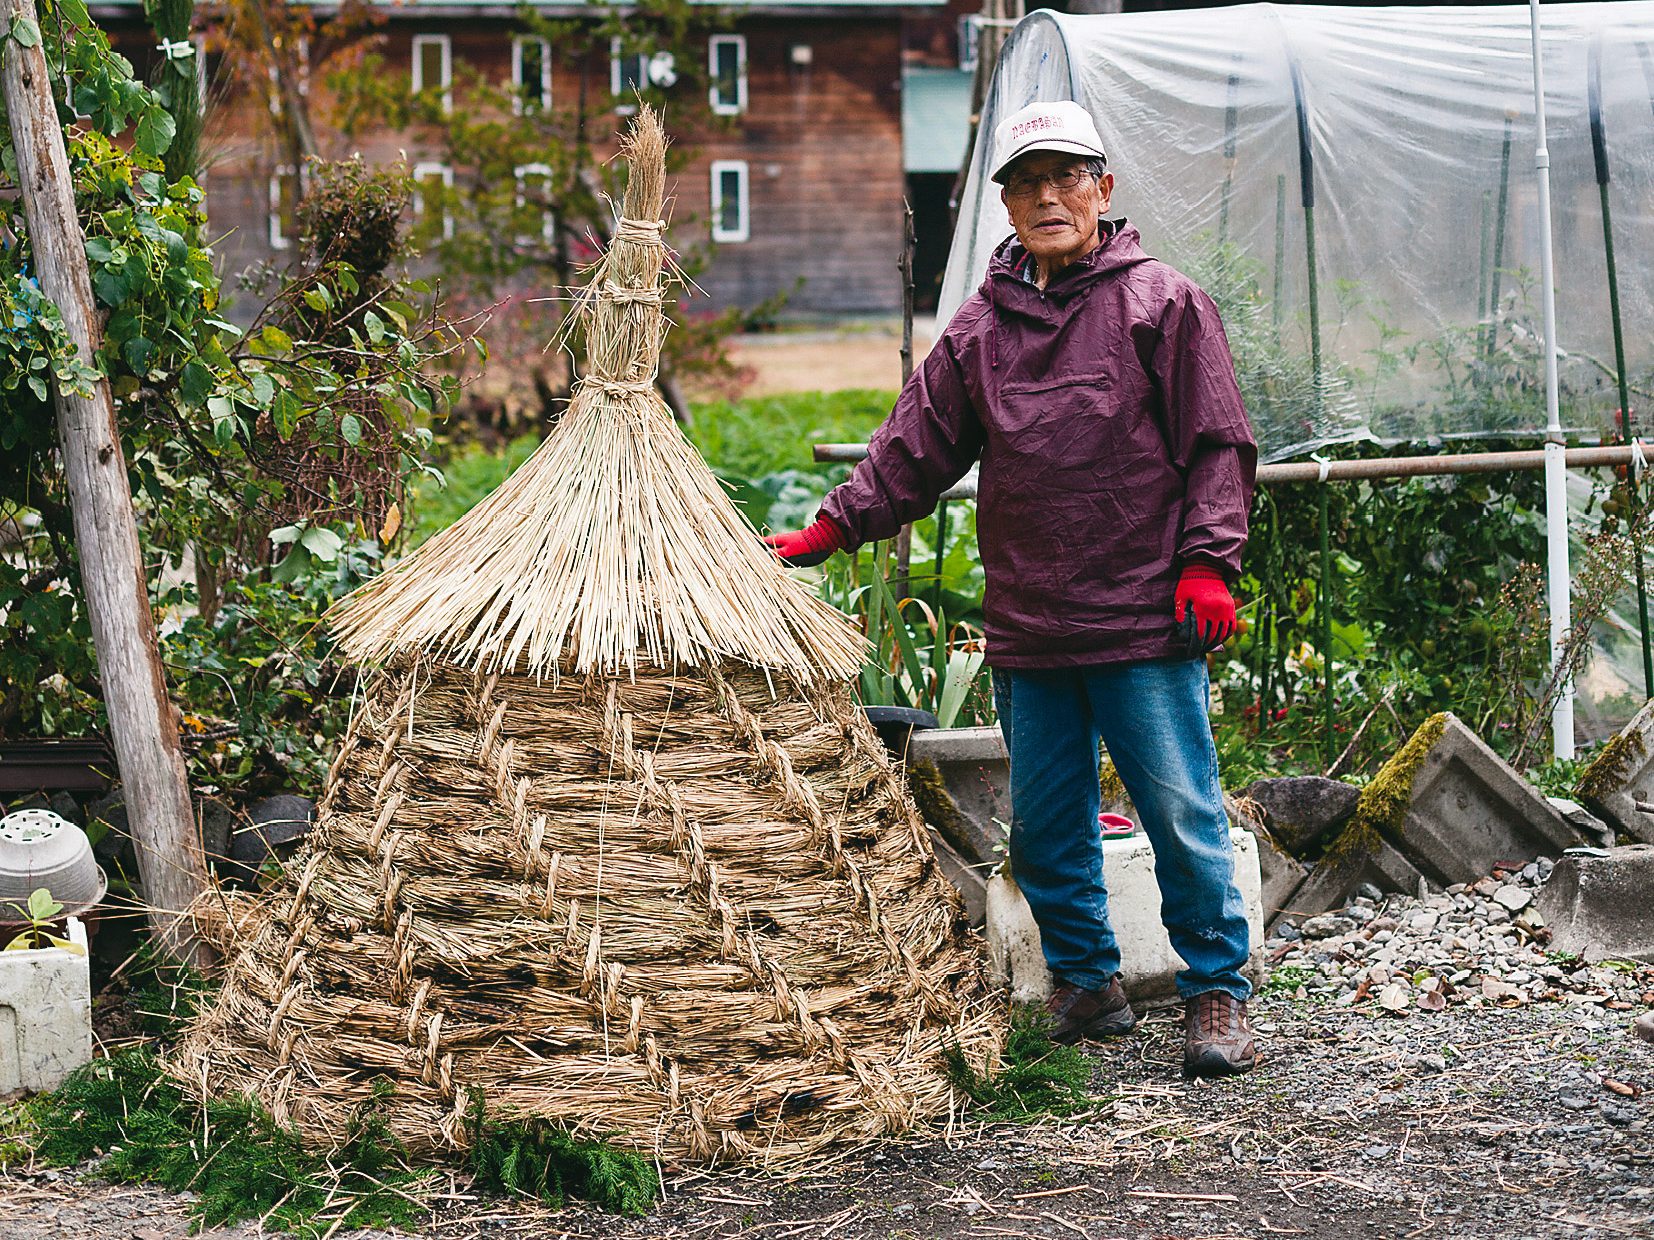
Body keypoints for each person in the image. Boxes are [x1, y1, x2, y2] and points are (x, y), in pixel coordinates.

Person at [763, 100, 1260, 1077]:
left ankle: (1216, 993)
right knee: (1045, 823)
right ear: (1004, 204)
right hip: (1032, 620)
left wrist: (1208, 562)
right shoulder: (983, 330)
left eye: (1066, 177)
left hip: (1142, 615)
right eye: (1025, 183)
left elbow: (1217, 443)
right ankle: (1085, 984)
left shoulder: (1163, 304)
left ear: (1103, 190)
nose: (1046, 197)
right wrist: (832, 526)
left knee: (1183, 815)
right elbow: (915, 446)